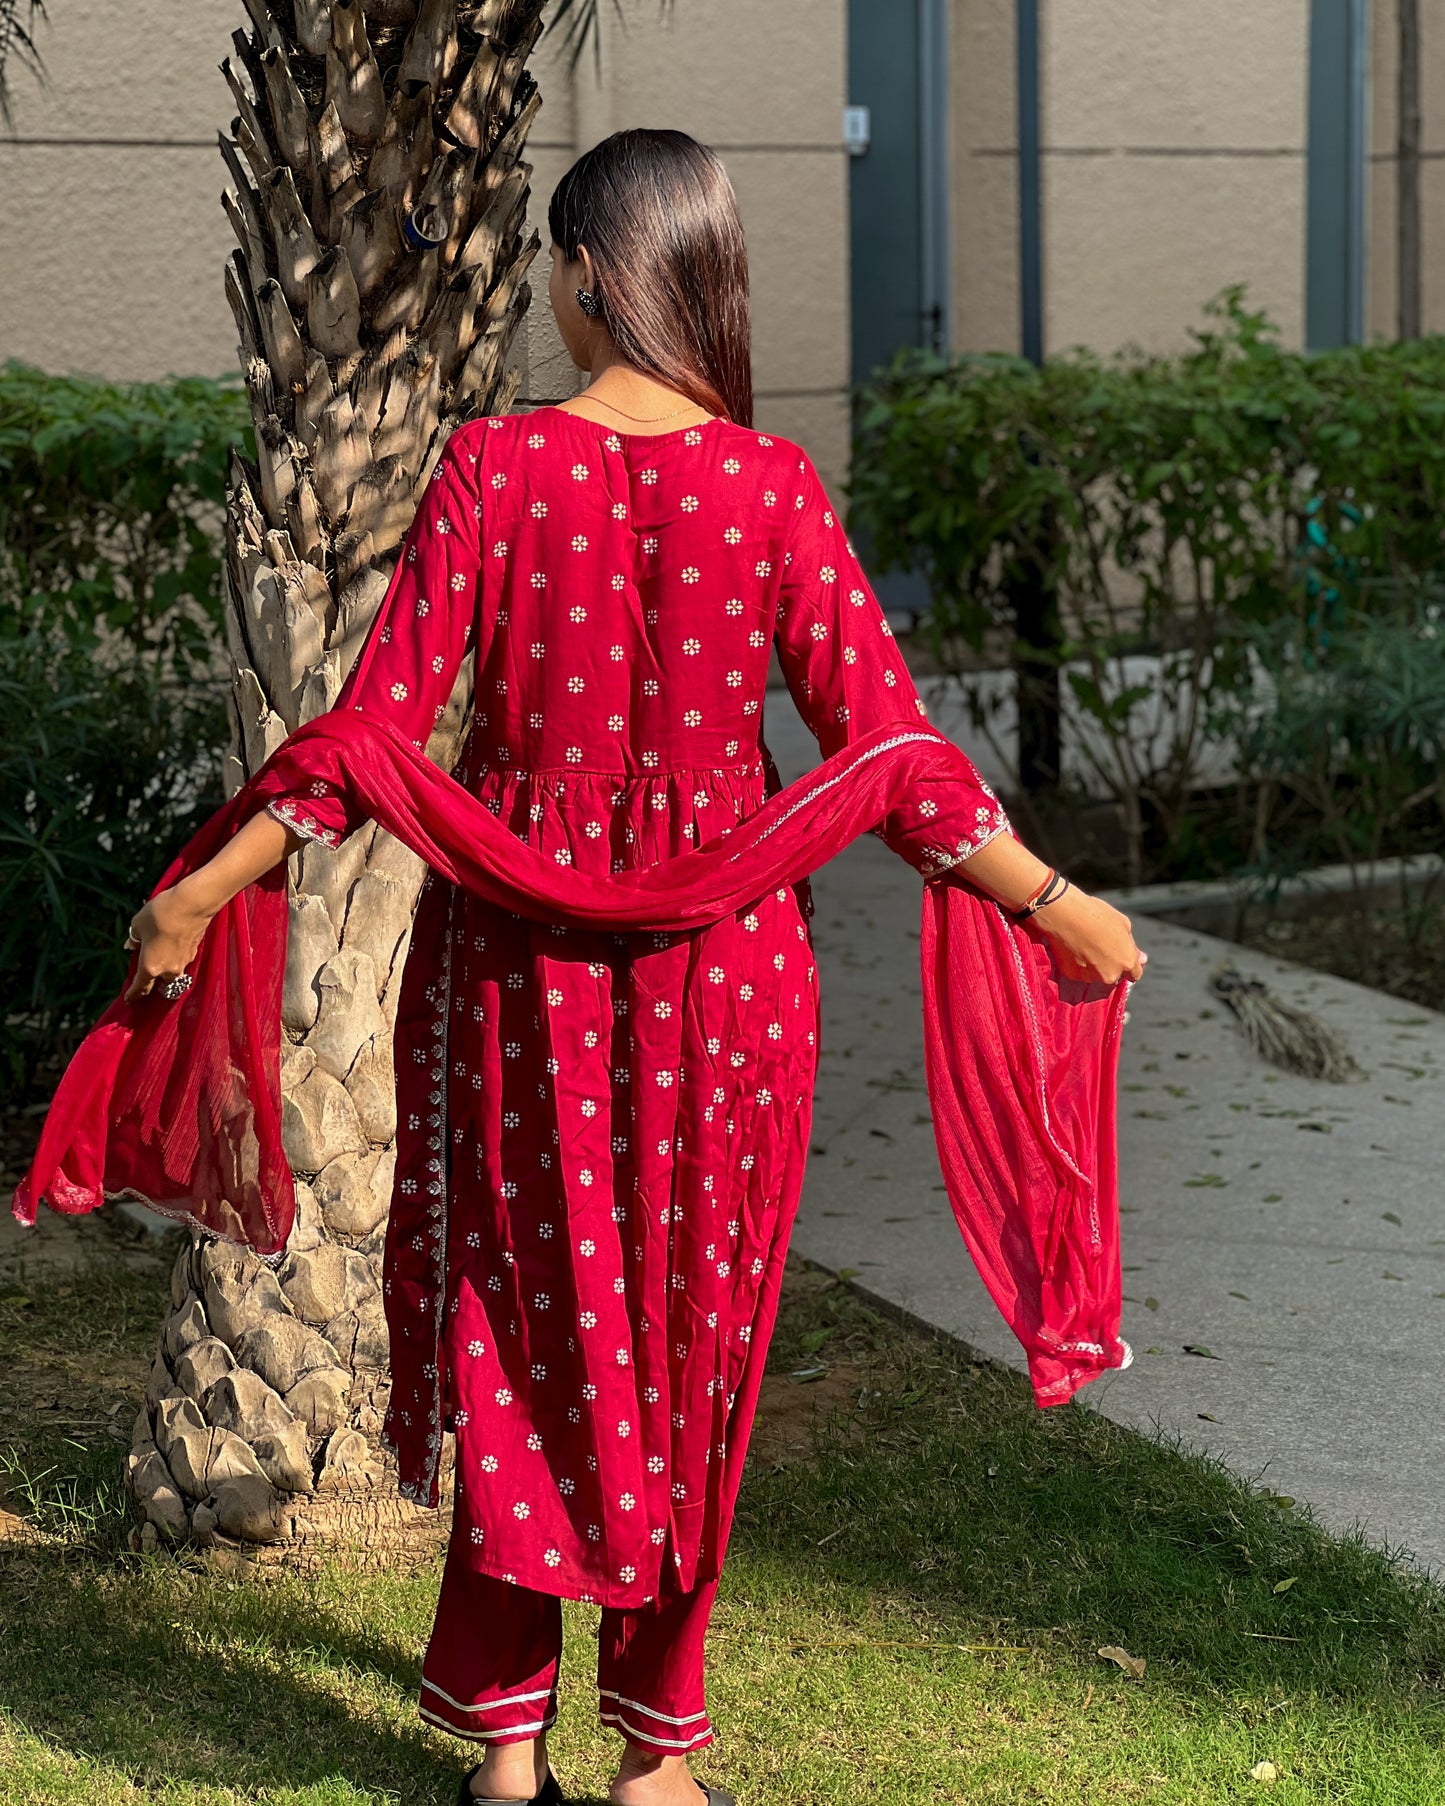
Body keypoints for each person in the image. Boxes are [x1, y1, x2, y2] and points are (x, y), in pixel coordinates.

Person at [121, 130, 1144, 1806]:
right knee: (688, 1350)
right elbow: (890, 755)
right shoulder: (773, 487)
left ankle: (506, 1754)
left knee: (518, 1338)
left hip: (517, 981)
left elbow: (372, 737)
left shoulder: (494, 470)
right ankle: (654, 1768)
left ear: (591, 274)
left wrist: (200, 887)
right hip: (725, 989)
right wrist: (1054, 902)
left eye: (554, 261)